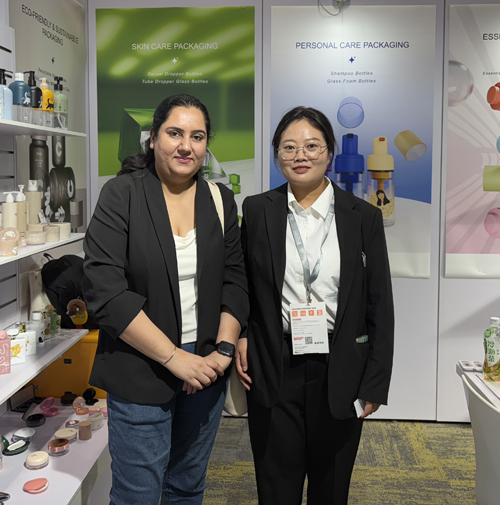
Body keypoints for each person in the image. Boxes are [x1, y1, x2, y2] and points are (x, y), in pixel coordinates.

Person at [83, 94, 248, 505]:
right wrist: (175, 358)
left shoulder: (219, 199)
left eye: (197, 137)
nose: (186, 146)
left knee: (187, 486)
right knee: (138, 494)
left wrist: (223, 350)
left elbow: (235, 278)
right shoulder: (122, 194)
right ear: (153, 138)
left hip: (207, 368)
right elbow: (106, 292)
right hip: (141, 366)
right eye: (175, 133)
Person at [237, 106, 394, 505]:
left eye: (311, 146)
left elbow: (379, 302)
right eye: (289, 147)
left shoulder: (363, 216)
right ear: (277, 154)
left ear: (330, 153)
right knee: (276, 487)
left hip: (341, 366)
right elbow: (243, 283)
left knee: (331, 488)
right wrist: (240, 333)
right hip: (275, 363)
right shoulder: (257, 210)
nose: (300, 156)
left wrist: (375, 381)